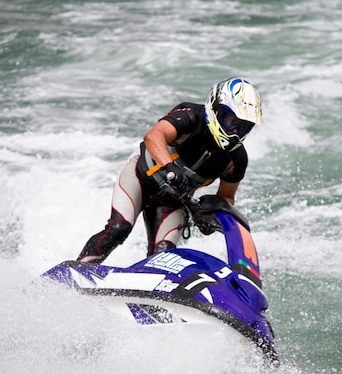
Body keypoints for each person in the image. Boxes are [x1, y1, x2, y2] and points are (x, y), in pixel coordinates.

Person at [77, 77, 262, 263]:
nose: (236, 131)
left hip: (173, 202)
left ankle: (149, 289)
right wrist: (170, 167)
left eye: (244, 126)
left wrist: (211, 217)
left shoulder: (236, 159)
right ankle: (75, 273)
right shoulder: (190, 116)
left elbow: (226, 198)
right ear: (216, 110)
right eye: (232, 121)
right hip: (140, 178)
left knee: (163, 255)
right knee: (118, 228)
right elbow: (153, 136)